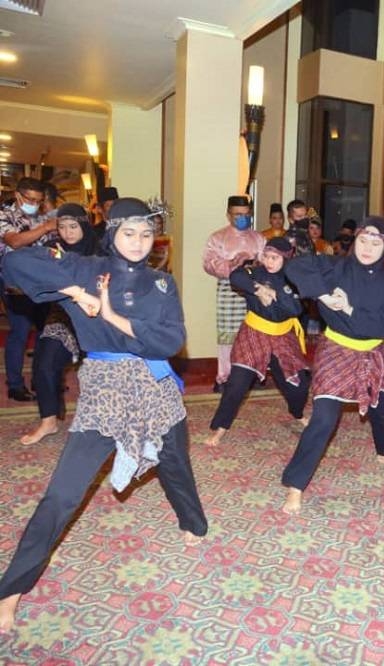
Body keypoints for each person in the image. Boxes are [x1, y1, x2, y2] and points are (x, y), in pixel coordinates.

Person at [0, 197, 208, 633]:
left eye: (146, 234)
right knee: (63, 493)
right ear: (112, 232)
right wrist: (78, 293)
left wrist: (112, 314)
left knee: (175, 465)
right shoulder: (84, 269)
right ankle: (12, 589)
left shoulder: (162, 283)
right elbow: (15, 262)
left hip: (155, 388)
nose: (138, 242)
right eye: (129, 232)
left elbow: (171, 341)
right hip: (105, 392)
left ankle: (193, 522)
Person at [280, 217, 384, 515]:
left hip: (373, 351)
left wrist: (350, 308)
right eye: (363, 241)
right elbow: (295, 267)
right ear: (355, 241)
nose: (368, 248)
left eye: (376, 243)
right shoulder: (337, 266)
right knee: (324, 419)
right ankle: (295, 485)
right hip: (337, 348)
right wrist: (323, 294)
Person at [204, 237, 310, 446]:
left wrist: (275, 293)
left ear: (286, 259)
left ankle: (297, 413)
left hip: (282, 336)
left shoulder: (293, 279)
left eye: (275, 258)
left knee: (298, 385)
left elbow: (296, 309)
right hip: (254, 332)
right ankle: (220, 428)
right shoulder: (255, 273)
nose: (270, 262)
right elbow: (235, 276)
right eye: (267, 257)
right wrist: (258, 289)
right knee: (237, 384)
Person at [20, 204, 99, 445]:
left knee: (100, 372)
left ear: (84, 224)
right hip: (63, 314)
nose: (68, 233)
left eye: (73, 226)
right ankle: (49, 420)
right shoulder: (51, 250)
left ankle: (104, 421)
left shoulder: (100, 249)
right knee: (44, 361)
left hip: (98, 316)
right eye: (62, 227)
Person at [202, 195, 266, 391]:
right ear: (229, 215)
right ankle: (225, 377)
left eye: (246, 215)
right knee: (228, 338)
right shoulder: (217, 238)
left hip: (254, 292)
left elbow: (268, 263)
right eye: (238, 215)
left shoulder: (258, 238)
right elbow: (208, 263)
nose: (243, 218)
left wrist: (257, 264)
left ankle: (251, 376)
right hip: (229, 292)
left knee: (253, 336)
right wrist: (231, 264)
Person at [0, 176, 55, 401]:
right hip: (14, 282)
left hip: (41, 281)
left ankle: (40, 380)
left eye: (38, 200)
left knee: (46, 332)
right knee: (20, 332)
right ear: (18, 196)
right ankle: (15, 385)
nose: (33, 203)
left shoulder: (41, 218)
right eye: (30, 199)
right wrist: (45, 227)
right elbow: (14, 242)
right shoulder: (4, 216)